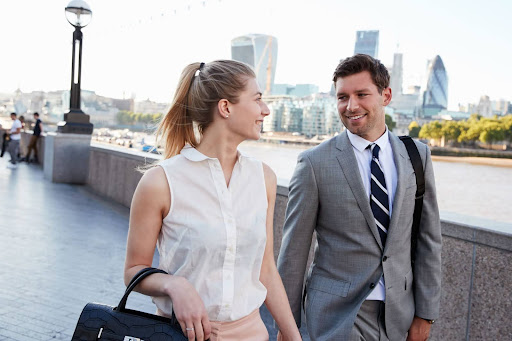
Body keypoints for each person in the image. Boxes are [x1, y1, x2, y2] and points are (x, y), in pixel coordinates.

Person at [124, 60, 302, 341]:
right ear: (226, 107)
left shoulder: (263, 178)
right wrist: (174, 285)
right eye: (257, 99)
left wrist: (293, 336)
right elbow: (134, 272)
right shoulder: (160, 181)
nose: (265, 110)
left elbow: (265, 267)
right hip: (179, 336)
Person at [277, 54, 442, 341]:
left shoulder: (417, 156)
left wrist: (425, 313)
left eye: (361, 94)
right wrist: (286, 326)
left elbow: (429, 240)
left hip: (398, 315)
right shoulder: (314, 164)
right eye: (342, 97)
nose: (351, 106)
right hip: (335, 317)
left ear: (385, 95)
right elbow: (293, 253)